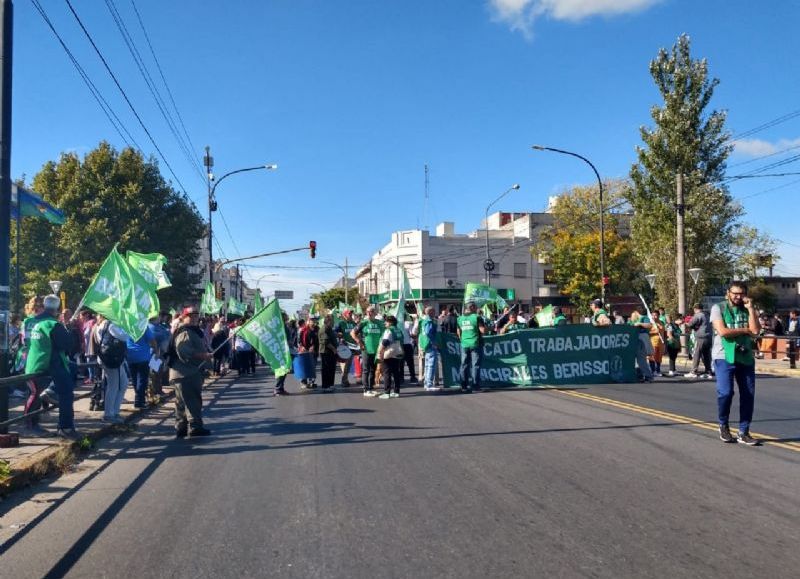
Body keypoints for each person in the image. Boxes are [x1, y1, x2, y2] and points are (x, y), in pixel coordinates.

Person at [711, 281, 760, 445]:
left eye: (741, 294)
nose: (738, 297)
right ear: (728, 293)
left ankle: (744, 431)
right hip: (724, 355)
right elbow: (723, 332)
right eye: (735, 293)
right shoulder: (719, 308)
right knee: (725, 392)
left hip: (745, 356)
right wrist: (745, 330)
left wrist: (751, 309)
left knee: (748, 394)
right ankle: (723, 424)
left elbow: (755, 331)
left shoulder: (748, 310)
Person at [24, 295, 78, 439]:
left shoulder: (37, 321)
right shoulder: (53, 325)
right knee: (66, 393)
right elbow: (67, 345)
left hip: (35, 362)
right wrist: (68, 328)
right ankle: (65, 427)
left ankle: (33, 422)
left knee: (72, 368)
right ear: (57, 310)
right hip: (49, 364)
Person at [168, 307, 212, 438]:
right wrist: (203, 355)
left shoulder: (190, 331)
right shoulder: (185, 331)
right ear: (183, 317)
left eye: (196, 316)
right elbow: (184, 351)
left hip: (184, 373)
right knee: (192, 401)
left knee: (182, 402)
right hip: (186, 373)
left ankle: (181, 427)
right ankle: (195, 427)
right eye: (190, 316)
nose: (194, 318)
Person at [93, 314, 129, 424]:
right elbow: (124, 337)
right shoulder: (110, 325)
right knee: (114, 386)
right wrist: (127, 327)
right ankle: (109, 414)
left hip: (111, 358)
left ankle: (114, 411)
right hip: (112, 360)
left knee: (123, 383)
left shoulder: (102, 325)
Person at [352, 306, 383, 397]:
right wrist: (360, 342)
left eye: (371, 311)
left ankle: (371, 388)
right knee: (366, 370)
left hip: (376, 350)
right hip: (366, 349)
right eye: (368, 311)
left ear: (375, 313)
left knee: (373, 369)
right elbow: (352, 333)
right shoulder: (364, 323)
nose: (369, 313)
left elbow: (384, 333)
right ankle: (366, 389)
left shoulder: (379, 323)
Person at [126, 322, 157, 408]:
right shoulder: (143, 326)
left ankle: (139, 399)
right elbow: (152, 340)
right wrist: (156, 350)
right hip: (143, 356)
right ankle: (139, 401)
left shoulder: (126, 325)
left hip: (130, 356)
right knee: (142, 380)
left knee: (135, 379)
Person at [457, 302, 486, 392]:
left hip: (464, 344)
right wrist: (491, 328)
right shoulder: (477, 317)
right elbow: (483, 330)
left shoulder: (460, 318)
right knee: (475, 365)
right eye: (476, 307)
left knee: (464, 365)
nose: (477, 308)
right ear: (472, 308)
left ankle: (463, 386)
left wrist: (462, 339)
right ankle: (475, 386)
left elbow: (458, 331)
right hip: (475, 344)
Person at [377, 315, 404, 398]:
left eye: (386, 321)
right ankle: (396, 391)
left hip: (389, 353)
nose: (385, 323)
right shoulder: (399, 330)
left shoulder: (389, 330)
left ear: (390, 322)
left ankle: (387, 392)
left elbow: (385, 341)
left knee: (387, 372)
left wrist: (380, 351)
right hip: (398, 352)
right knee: (396, 372)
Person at [686, 303, 713, 378]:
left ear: (695, 309)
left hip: (701, 337)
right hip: (709, 336)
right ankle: (708, 371)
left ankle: (693, 371)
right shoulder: (707, 315)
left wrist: (684, 323)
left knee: (697, 353)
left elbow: (690, 324)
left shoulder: (698, 315)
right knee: (706, 354)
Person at [629, 309, 654, 382]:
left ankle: (648, 376)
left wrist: (640, 324)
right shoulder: (633, 320)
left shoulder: (644, 318)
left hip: (641, 341)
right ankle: (639, 376)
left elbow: (649, 325)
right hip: (634, 341)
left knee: (641, 360)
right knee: (636, 361)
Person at [418, 306, 440, 392]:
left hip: (425, 344)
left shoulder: (423, 321)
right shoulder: (429, 321)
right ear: (430, 312)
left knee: (427, 365)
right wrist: (434, 342)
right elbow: (428, 332)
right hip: (430, 345)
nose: (435, 313)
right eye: (434, 311)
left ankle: (427, 383)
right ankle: (429, 384)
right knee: (431, 365)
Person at [337, 309, 357, 386]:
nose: (351, 315)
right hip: (344, 346)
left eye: (351, 314)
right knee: (346, 363)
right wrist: (339, 335)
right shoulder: (341, 323)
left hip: (353, 346)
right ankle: (344, 380)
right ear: (345, 315)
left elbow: (358, 332)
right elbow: (335, 331)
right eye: (349, 314)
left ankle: (345, 379)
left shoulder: (353, 323)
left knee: (348, 364)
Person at [318, 314, 339, 390]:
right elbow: (326, 342)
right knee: (326, 369)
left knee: (332, 368)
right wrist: (334, 349)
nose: (333, 322)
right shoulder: (324, 329)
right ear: (328, 321)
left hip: (331, 352)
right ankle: (325, 386)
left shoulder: (330, 328)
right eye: (332, 321)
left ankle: (331, 385)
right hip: (326, 352)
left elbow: (332, 336)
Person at [664, 312, 682, 377]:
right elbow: (669, 334)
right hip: (671, 343)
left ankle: (674, 369)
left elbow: (678, 335)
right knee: (671, 357)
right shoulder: (670, 325)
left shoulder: (677, 326)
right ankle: (671, 370)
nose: (681, 321)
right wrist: (674, 341)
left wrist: (679, 344)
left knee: (674, 356)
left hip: (676, 343)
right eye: (680, 319)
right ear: (676, 319)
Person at [401, 315, 418, 384]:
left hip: (404, 344)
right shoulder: (408, 324)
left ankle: (401, 378)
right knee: (409, 362)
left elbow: (412, 334)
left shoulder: (405, 324)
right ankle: (412, 377)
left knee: (402, 363)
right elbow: (412, 334)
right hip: (406, 344)